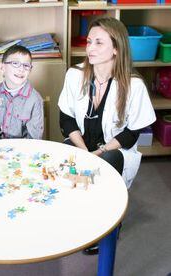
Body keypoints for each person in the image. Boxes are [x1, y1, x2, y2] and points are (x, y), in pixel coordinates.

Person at [58, 17, 156, 254]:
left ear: (116, 48)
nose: (90, 47)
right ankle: (80, 219)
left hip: (113, 149)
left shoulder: (134, 85)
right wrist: (84, 151)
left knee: (102, 170)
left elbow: (132, 133)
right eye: (89, 41)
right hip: (82, 144)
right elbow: (65, 119)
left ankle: (111, 225)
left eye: (98, 43)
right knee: (63, 164)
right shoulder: (75, 74)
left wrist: (99, 153)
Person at [0, 45, 44, 141]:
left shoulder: (35, 99)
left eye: (26, 65)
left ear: (30, 69)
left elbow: (34, 137)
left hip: (24, 149)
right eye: (15, 63)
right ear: (2, 67)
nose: (21, 69)